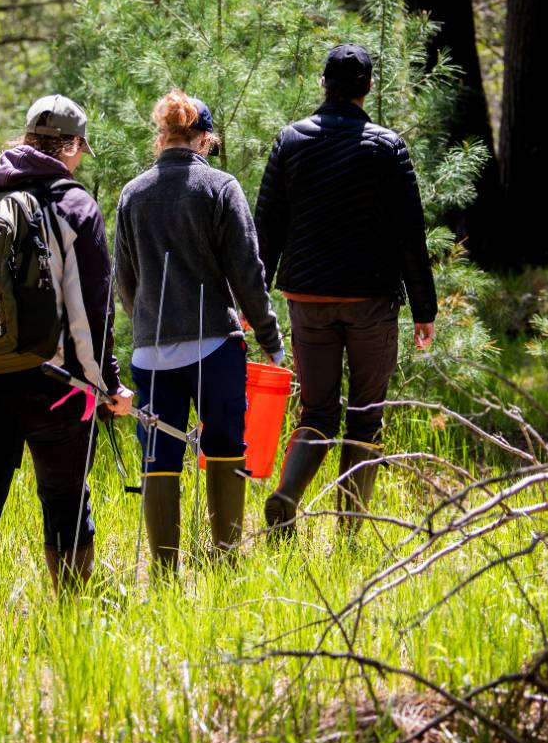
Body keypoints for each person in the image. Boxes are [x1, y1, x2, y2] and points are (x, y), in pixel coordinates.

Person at [0, 94, 130, 616]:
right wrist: (105, 386)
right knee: (64, 496)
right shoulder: (73, 204)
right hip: (52, 384)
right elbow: (91, 310)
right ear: (71, 147)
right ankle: (71, 615)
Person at [253, 44, 436, 535]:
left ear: (323, 84)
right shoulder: (386, 147)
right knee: (366, 411)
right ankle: (351, 531)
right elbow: (409, 235)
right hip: (370, 301)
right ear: (368, 88)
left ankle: (287, 495)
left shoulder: (289, 142)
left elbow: (265, 228)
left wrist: (254, 299)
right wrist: (425, 308)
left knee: (317, 409)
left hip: (307, 301)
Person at [113, 90, 284, 573]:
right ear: (205, 140)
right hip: (215, 347)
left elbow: (123, 278)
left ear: (161, 138)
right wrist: (272, 342)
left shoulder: (132, 194)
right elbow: (247, 274)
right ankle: (224, 561)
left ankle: (166, 573)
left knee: (159, 457)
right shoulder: (219, 187)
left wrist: (146, 320)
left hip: (151, 354)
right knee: (225, 446)